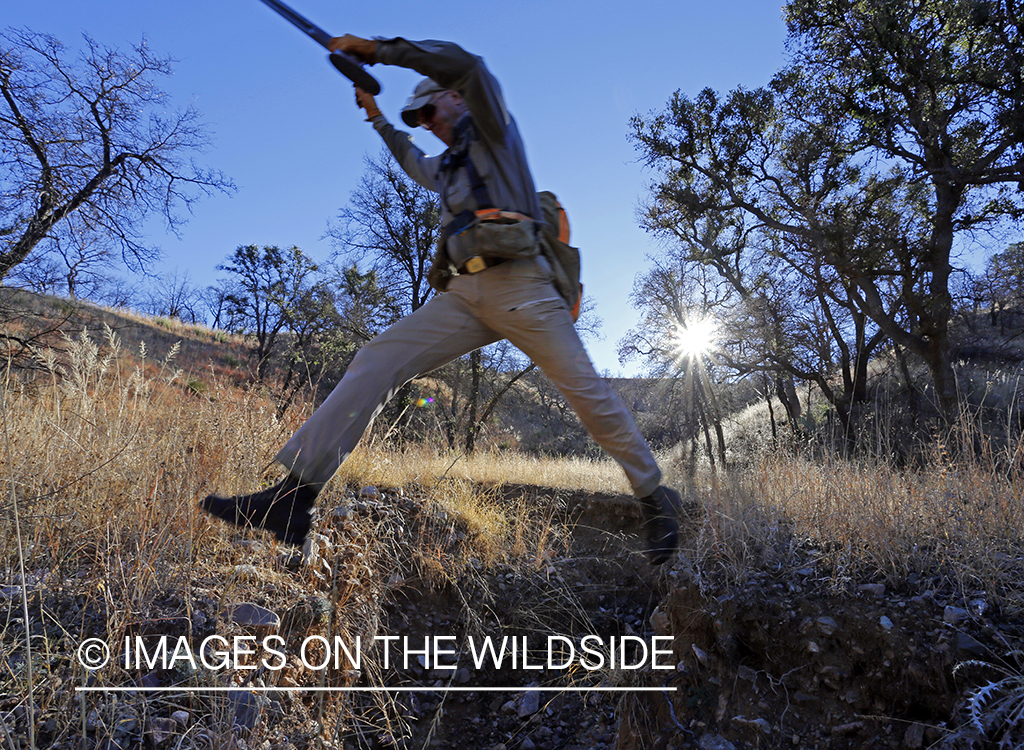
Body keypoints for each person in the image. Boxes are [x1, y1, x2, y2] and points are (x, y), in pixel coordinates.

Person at [199, 35, 682, 564]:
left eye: (428, 109)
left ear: (453, 96)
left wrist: (377, 49)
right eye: (419, 118)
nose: (426, 122)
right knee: (375, 361)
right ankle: (295, 500)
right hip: (463, 296)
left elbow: (468, 65)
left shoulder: (496, 133)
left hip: (523, 285)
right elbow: (412, 162)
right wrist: (378, 116)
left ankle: (655, 498)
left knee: (587, 394)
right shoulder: (448, 167)